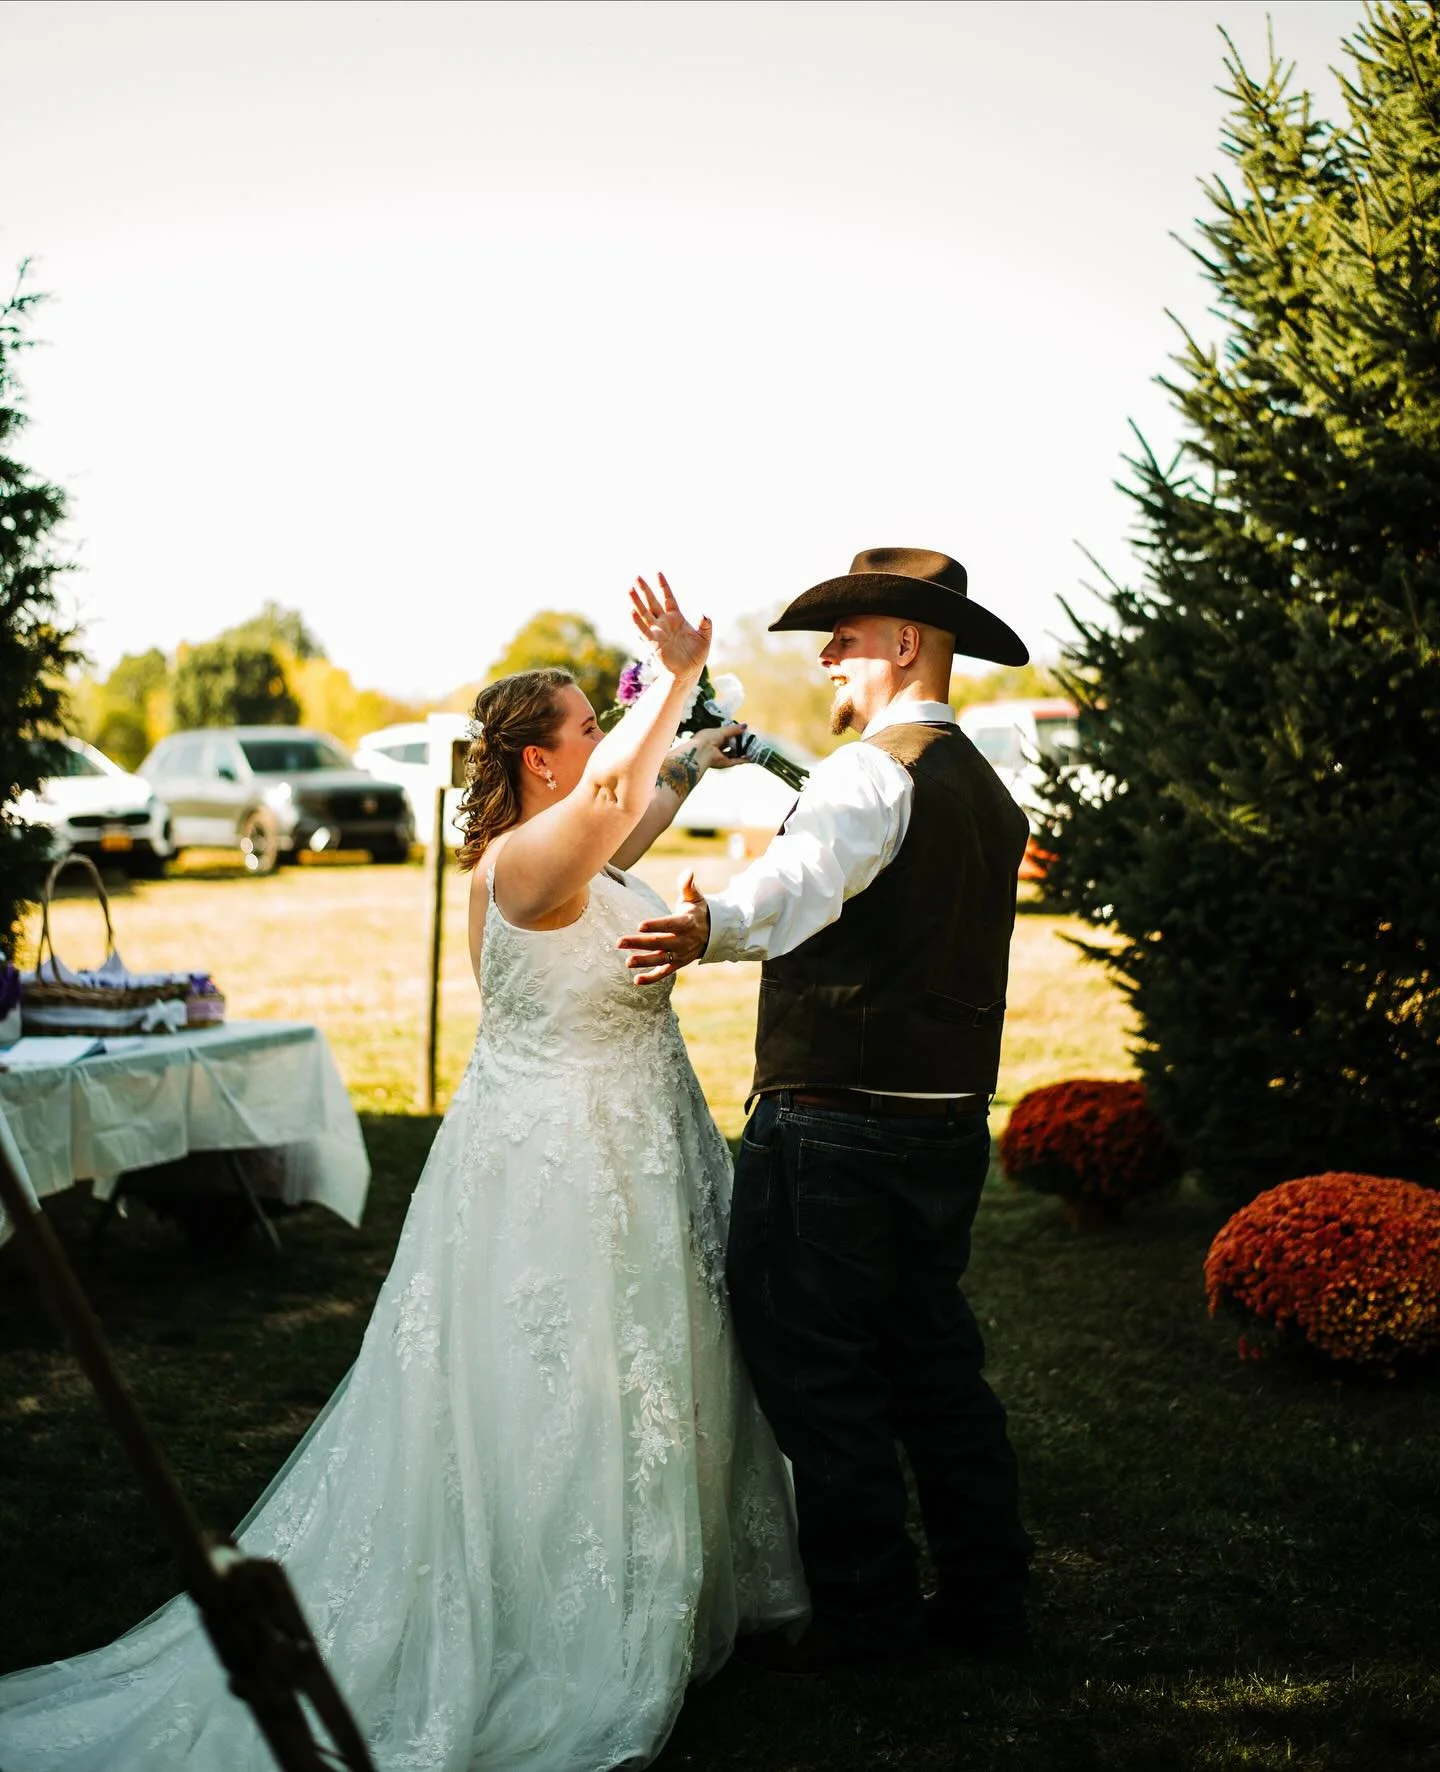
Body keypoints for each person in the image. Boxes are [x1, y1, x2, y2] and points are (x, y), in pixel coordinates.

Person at [0, 575, 807, 1770]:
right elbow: (607, 807)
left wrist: (691, 757)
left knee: (656, 1369)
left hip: (626, 1147)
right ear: (540, 761)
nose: (604, 737)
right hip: (568, 1170)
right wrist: (677, 674)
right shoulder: (524, 865)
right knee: (572, 1385)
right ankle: (561, 1610)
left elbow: (626, 821)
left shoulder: (568, 850)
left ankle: (674, 1580)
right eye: (587, 724)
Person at [619, 547, 1035, 1676]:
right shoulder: (986, 789)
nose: (830, 657)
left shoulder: (872, 771)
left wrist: (710, 925)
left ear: (906, 643)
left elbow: (803, 879)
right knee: (935, 1364)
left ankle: (868, 1624)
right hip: (948, 1121)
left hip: (837, 1126)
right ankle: (990, 1599)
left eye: (846, 637)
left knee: (823, 1373)